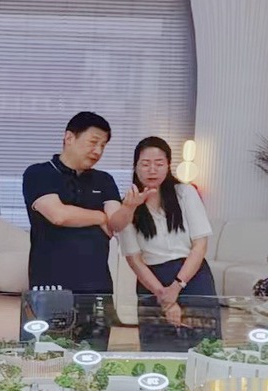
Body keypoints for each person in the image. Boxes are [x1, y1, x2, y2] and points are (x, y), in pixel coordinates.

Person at [22, 112, 139, 349]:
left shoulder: (104, 180)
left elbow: (115, 224)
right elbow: (58, 215)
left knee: (94, 357)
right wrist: (99, 217)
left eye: (103, 146)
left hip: (97, 287)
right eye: (93, 142)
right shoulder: (39, 173)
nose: (98, 151)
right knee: (46, 356)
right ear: (69, 138)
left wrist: (129, 208)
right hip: (51, 287)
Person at [120, 137, 221, 350]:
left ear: (168, 166)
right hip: (152, 280)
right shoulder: (128, 205)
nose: (152, 170)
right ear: (135, 167)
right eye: (145, 164)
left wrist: (176, 286)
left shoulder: (185, 193)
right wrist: (163, 296)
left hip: (191, 276)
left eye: (159, 163)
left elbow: (200, 246)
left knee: (203, 346)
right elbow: (134, 259)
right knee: (158, 349)